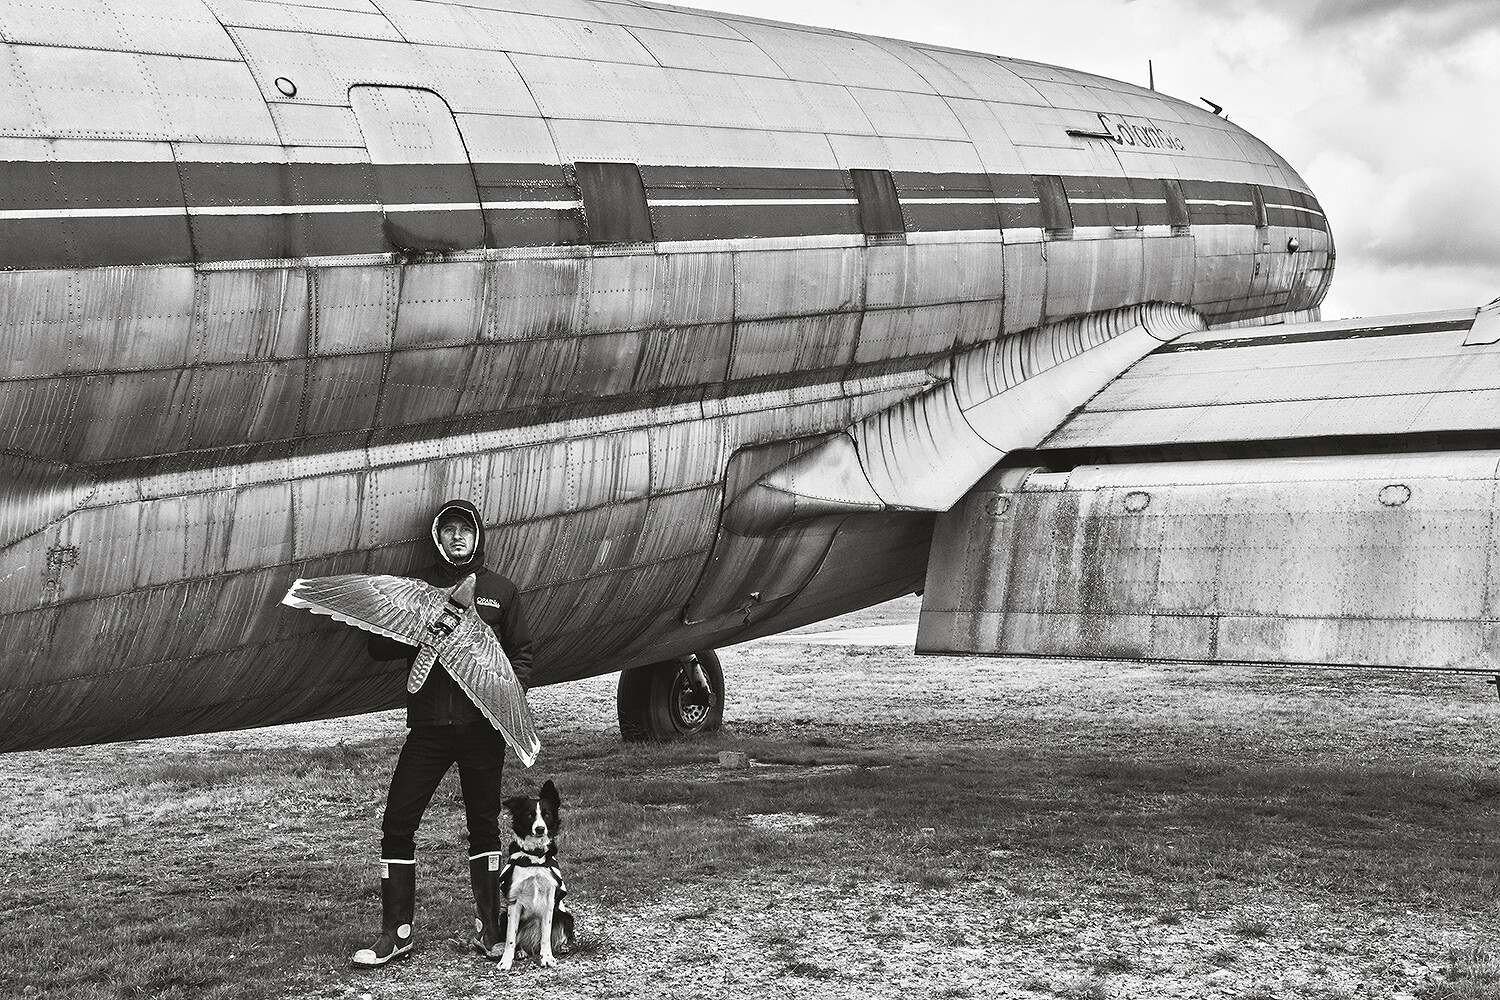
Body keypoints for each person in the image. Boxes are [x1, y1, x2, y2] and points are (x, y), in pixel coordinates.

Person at [351, 499, 534, 967]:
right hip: (429, 727)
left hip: (481, 732)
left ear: (477, 537)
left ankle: (491, 931)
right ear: (438, 537)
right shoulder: (419, 590)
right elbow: (377, 647)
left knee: (483, 828)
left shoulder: (501, 592)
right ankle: (398, 932)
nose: (458, 537)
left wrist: (504, 697)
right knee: (397, 821)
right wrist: (420, 625)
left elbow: (523, 656)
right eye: (449, 530)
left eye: (465, 530)